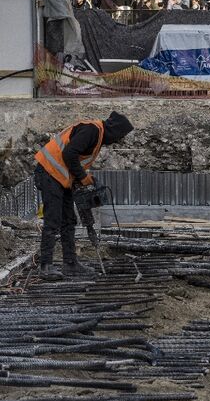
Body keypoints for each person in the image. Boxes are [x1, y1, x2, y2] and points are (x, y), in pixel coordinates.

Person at [33, 112, 134, 280]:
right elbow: (69, 154)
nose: (117, 141)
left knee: (69, 220)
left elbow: (73, 158)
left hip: (61, 177)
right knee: (53, 220)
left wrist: (82, 178)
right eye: (119, 136)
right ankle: (45, 266)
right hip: (49, 173)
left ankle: (70, 264)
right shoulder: (92, 130)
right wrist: (83, 177)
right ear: (114, 131)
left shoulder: (97, 134)